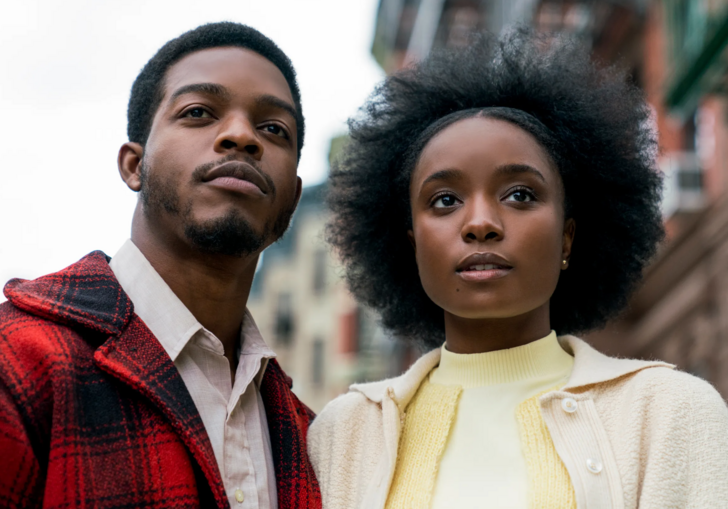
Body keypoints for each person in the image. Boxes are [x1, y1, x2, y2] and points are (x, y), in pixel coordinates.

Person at [309, 29, 728, 509]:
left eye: (520, 194)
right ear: (411, 244)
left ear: (568, 236)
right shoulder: (342, 434)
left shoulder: (671, 414)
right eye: (445, 200)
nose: (481, 223)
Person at [0, 22, 320, 509]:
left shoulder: (308, 432)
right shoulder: (19, 363)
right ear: (134, 165)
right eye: (198, 113)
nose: (241, 136)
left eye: (274, 129)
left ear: (292, 200)